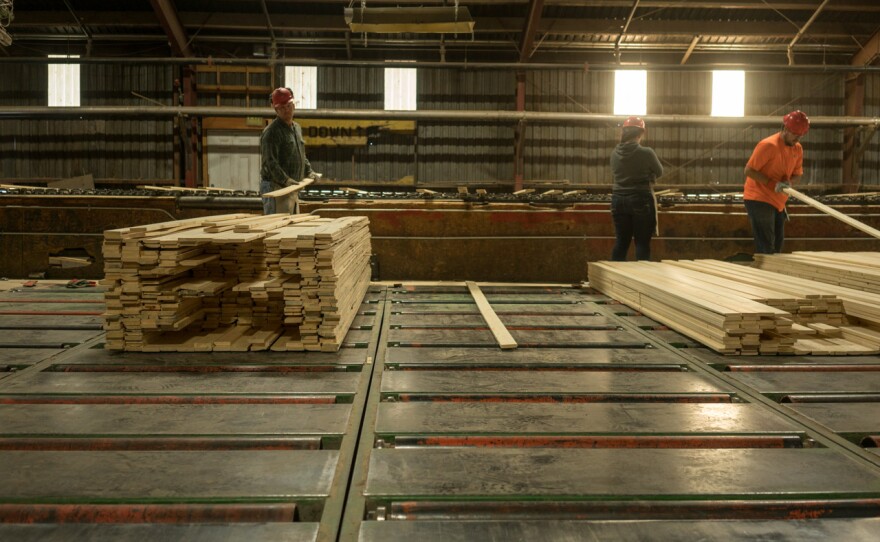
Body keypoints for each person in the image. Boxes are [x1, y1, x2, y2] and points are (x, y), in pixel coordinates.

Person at [743, 110, 809, 254]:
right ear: (785, 129)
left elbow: (797, 174)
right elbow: (749, 171)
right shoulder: (768, 145)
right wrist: (772, 184)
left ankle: (770, 266)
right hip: (759, 198)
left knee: (778, 245)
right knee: (767, 246)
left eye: (801, 136)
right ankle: (764, 267)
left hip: (778, 200)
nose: (797, 139)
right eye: (795, 134)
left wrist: (789, 183)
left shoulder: (797, 149)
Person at [259, 87, 320, 215]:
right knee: (277, 224)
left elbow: (301, 155)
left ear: (294, 105)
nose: (287, 110)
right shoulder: (271, 132)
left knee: (291, 222)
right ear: (276, 110)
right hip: (276, 188)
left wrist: (309, 172)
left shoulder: (296, 128)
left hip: (292, 187)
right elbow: (270, 162)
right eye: (282, 108)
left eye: (288, 106)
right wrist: (285, 180)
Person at [610, 116, 663, 261]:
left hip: (618, 200)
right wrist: (648, 175)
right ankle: (642, 273)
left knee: (621, 242)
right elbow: (659, 172)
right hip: (640, 199)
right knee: (642, 243)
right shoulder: (646, 152)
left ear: (624, 132)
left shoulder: (614, 153)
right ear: (641, 133)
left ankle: (615, 273)